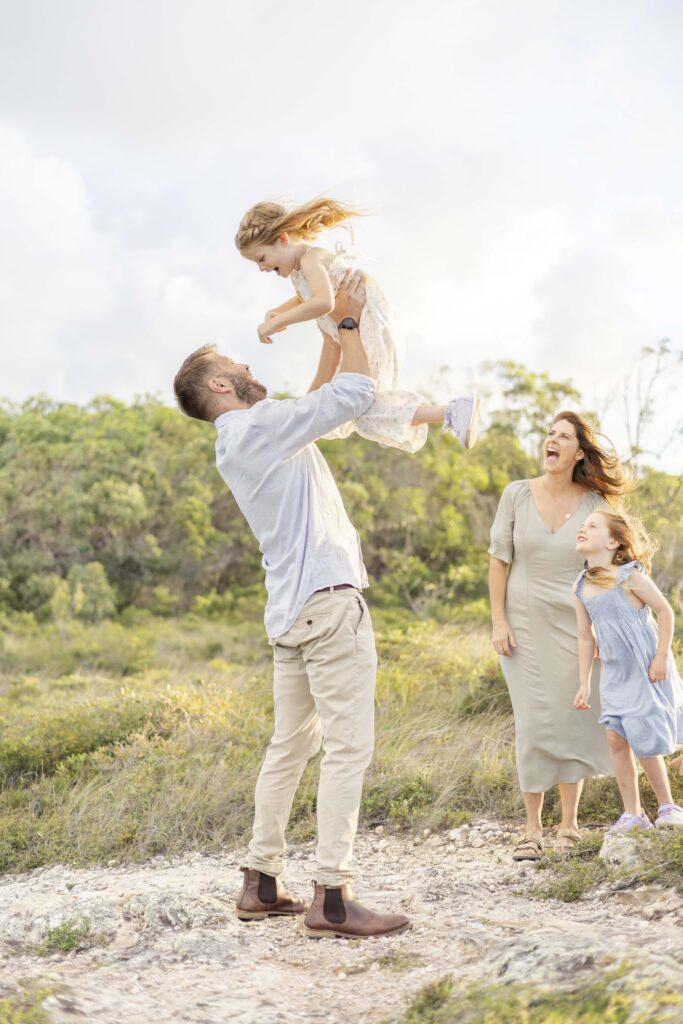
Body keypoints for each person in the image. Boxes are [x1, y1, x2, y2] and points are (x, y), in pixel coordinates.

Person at [172, 270, 409, 940]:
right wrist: (356, 321)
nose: (247, 368)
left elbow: (321, 402)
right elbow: (356, 395)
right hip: (328, 605)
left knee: (289, 746)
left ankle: (261, 880)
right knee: (346, 747)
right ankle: (332, 896)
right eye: (235, 366)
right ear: (219, 386)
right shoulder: (260, 428)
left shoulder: (247, 438)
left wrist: (333, 327)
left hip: (289, 615)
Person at [488, 412, 633, 861]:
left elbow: (609, 568)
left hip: (577, 625)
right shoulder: (516, 495)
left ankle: (568, 825)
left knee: (575, 719)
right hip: (523, 625)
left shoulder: (596, 504)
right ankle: (531, 829)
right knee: (533, 722)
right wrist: (498, 620)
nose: (552, 440)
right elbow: (499, 562)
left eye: (563, 436)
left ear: (578, 452)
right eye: (549, 434)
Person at [234, 196, 479, 452]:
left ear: (283, 240)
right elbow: (303, 297)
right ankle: (451, 412)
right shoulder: (300, 273)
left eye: (261, 258)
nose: (261, 268)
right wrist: (277, 311)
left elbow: (323, 302)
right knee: (355, 408)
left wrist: (278, 322)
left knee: (361, 407)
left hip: (368, 328)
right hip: (345, 335)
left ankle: (452, 411)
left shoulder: (311, 259)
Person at [573, 508, 683, 830]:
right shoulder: (580, 586)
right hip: (614, 674)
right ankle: (633, 814)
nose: (583, 529)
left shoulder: (630, 576)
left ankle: (667, 808)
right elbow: (584, 637)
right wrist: (583, 683)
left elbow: (665, 613)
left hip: (644, 668)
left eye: (592, 526)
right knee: (616, 740)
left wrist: (661, 656)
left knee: (644, 738)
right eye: (582, 526)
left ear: (612, 542)